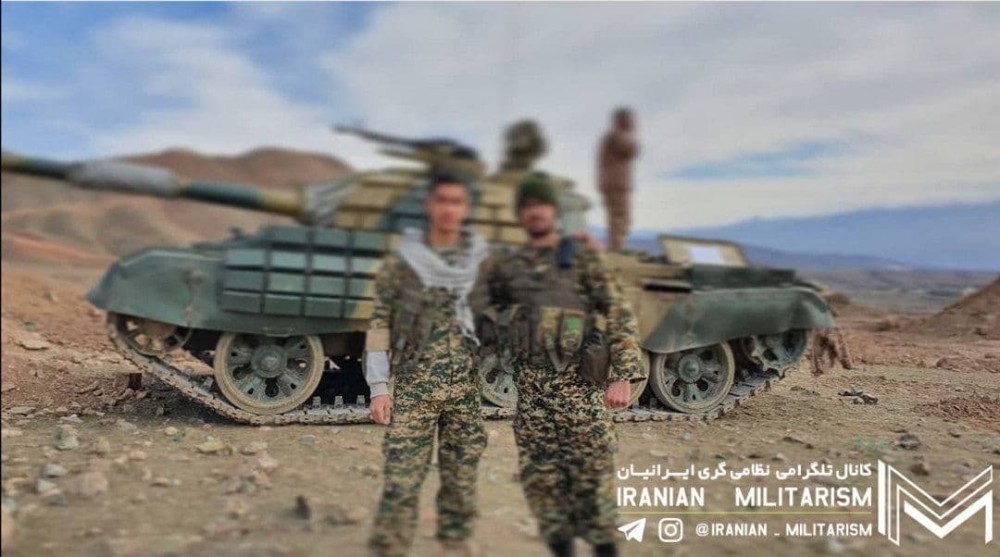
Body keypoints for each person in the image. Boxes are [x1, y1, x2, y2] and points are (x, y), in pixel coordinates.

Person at [483, 172, 647, 557]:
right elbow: (486, 309)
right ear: (520, 215)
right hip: (531, 393)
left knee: (592, 480)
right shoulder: (510, 265)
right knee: (543, 485)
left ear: (554, 211)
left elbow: (619, 312)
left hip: (579, 389)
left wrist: (622, 375)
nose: (535, 212)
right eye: (528, 206)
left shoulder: (582, 259)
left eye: (542, 204)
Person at [364, 173, 492, 557]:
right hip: (415, 388)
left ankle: (454, 541)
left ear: (465, 208)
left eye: (457, 201)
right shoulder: (402, 262)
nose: (449, 208)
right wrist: (379, 387)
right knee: (401, 477)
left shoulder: (480, 262)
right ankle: (391, 546)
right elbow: (380, 323)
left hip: (466, 388)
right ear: (430, 206)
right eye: (443, 200)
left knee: (461, 476)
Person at [597, 107, 640, 251]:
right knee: (621, 218)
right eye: (630, 121)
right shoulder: (616, 136)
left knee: (618, 219)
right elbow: (631, 150)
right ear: (622, 121)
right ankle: (617, 250)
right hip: (617, 184)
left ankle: (616, 248)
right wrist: (630, 133)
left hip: (614, 184)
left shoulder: (611, 137)